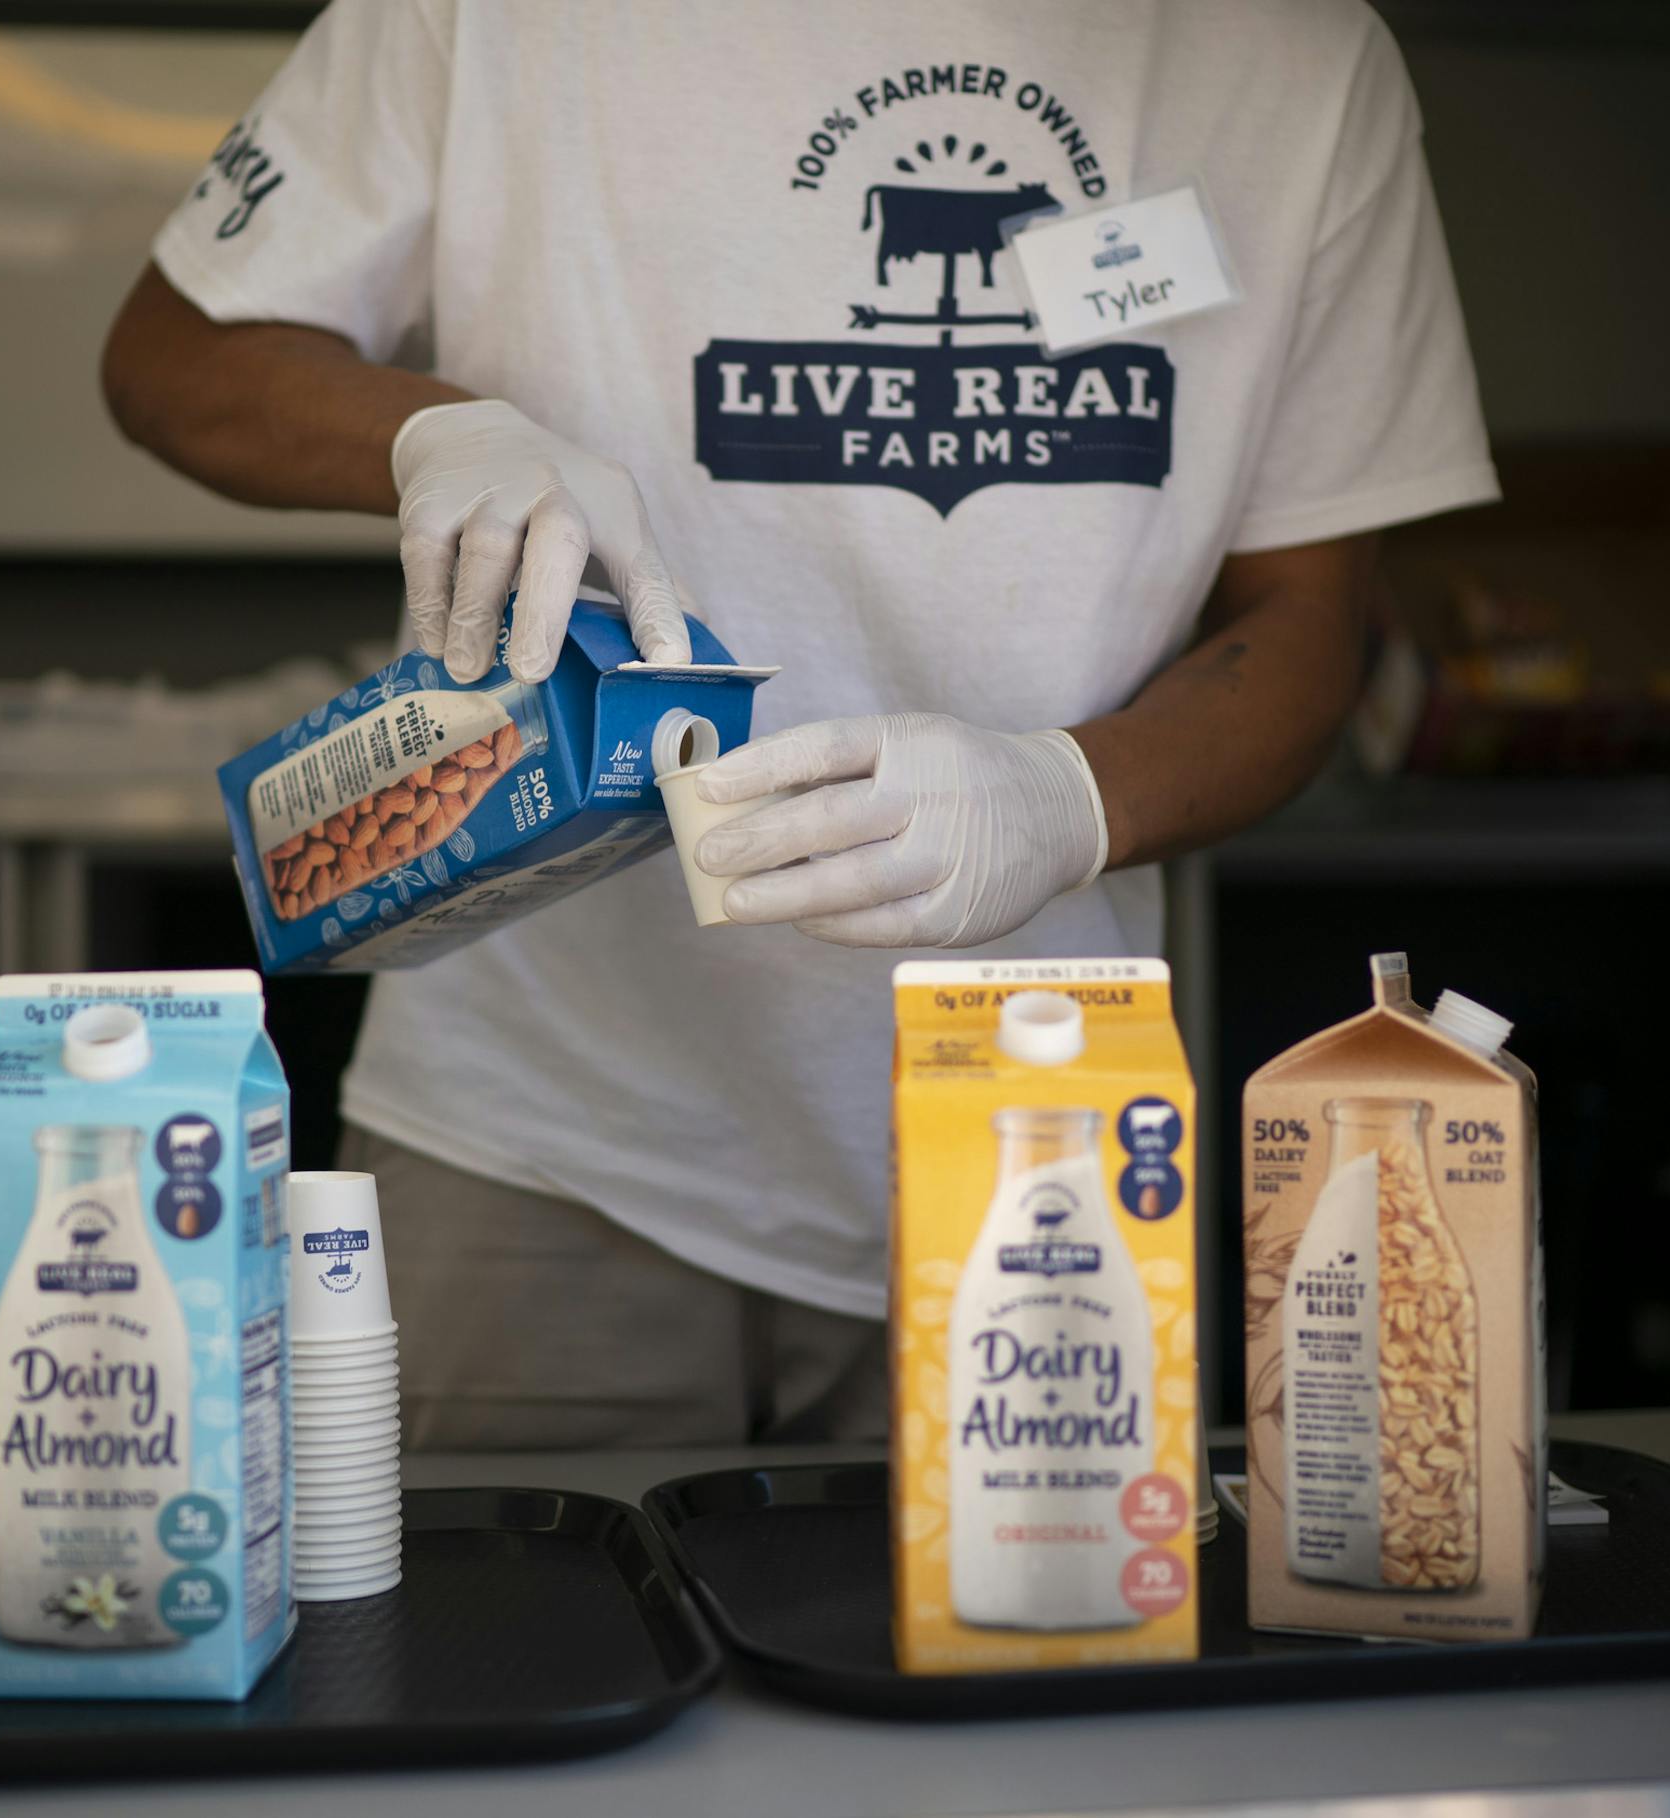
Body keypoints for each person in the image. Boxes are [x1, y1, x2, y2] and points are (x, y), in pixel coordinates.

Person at [102, 0, 1497, 1449]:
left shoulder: (1298, 57)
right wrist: (433, 431)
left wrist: (1071, 796)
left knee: (1025, 1657)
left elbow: (1311, 616)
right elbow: (174, 357)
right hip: (548, 1138)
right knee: (483, 1648)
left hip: (1037, 1147)